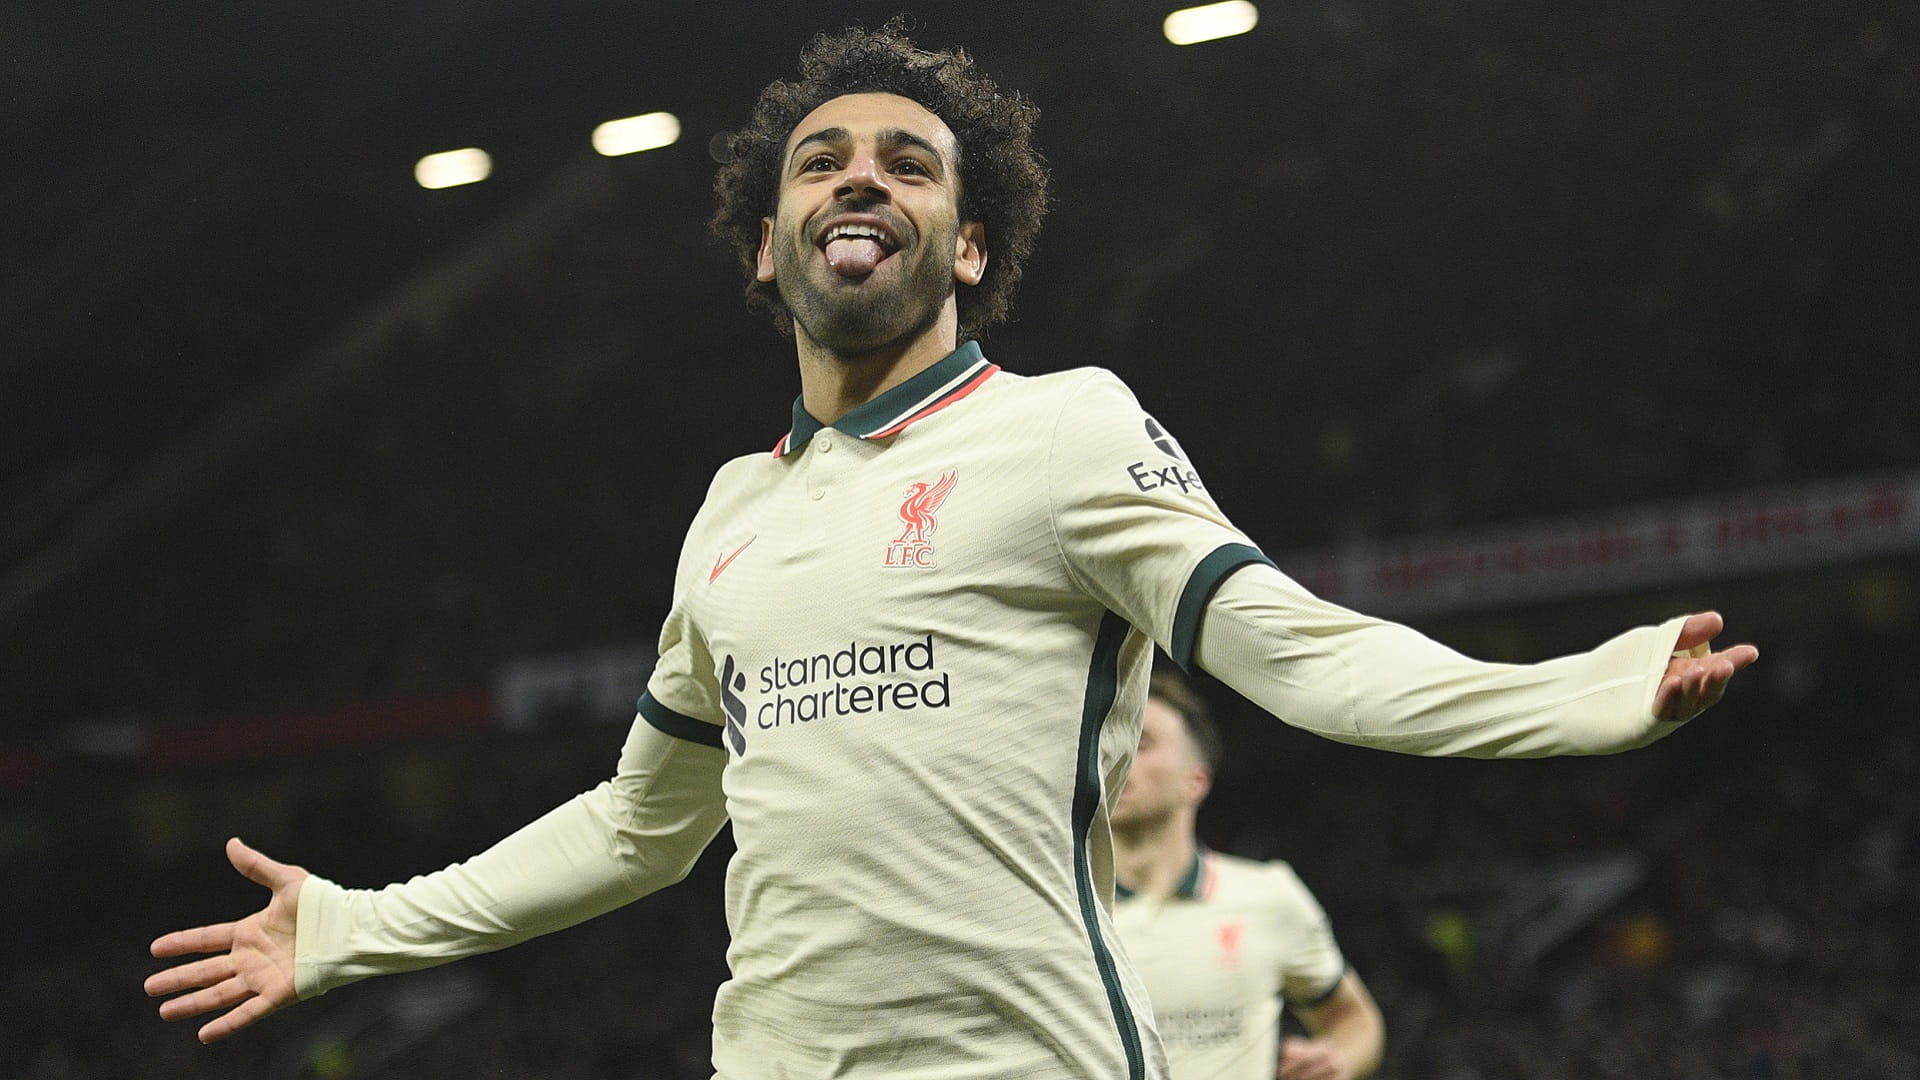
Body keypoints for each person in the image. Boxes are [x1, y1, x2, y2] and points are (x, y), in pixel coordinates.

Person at [146, 21, 1758, 1080]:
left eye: (910, 163)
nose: (862, 174)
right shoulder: (732, 511)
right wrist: (356, 924)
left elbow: (1297, 651)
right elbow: (640, 827)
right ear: (767, 246)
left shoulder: (1066, 430)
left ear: (970, 243)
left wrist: (1569, 696)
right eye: (822, 161)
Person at [1113, 666, 1383, 1080]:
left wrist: (1337, 1059)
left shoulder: (1269, 897)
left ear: (1195, 781)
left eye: (1141, 742)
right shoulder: (1055, 908)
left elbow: (1354, 1019)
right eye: (1108, 740)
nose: (1114, 755)